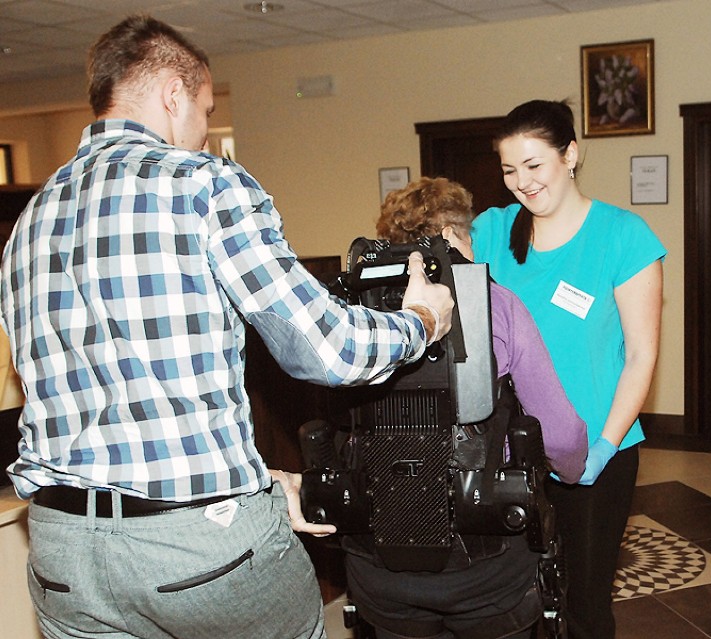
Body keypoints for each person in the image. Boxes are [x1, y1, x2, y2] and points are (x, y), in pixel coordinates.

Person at [0, 15, 453, 639]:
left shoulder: (30, 219)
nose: (203, 132)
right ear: (173, 95)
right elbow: (328, 349)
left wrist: (260, 488)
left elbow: (109, 410)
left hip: (61, 551)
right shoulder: (200, 182)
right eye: (205, 112)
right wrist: (422, 318)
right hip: (197, 554)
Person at [341, 176, 588, 639]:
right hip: (485, 561)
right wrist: (571, 472)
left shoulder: (351, 313)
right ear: (454, 236)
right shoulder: (497, 305)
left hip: (379, 561)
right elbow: (560, 437)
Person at [471, 99, 666, 639]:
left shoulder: (623, 237)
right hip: (511, 452)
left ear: (571, 154)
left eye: (534, 165)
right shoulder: (492, 230)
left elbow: (641, 355)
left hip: (595, 452)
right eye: (510, 170)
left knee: (583, 605)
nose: (522, 182)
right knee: (516, 598)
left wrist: (603, 446)